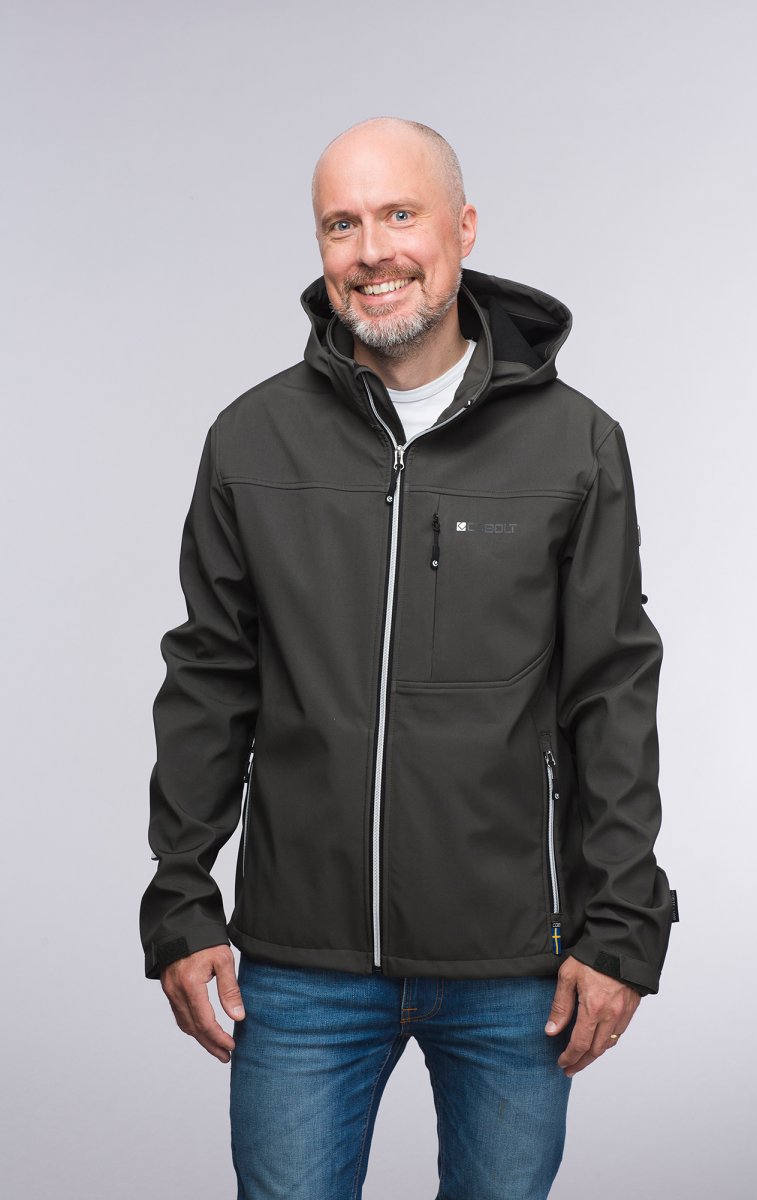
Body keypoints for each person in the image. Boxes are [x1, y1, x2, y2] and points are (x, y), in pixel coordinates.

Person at [140, 116, 676, 1199]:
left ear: (462, 227)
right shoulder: (251, 440)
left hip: (512, 966)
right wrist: (181, 899)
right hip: (299, 966)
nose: (371, 250)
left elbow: (608, 695)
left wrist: (621, 928)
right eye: (341, 224)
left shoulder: (575, 445)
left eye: (398, 214)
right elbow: (209, 679)